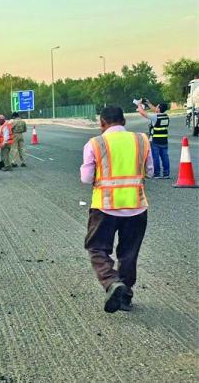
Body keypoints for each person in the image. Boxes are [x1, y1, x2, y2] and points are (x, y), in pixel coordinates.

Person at [80, 106, 152, 313]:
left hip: (105, 207)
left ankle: (112, 282)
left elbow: (86, 178)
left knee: (96, 248)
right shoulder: (141, 140)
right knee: (129, 253)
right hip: (136, 207)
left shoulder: (95, 143)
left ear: (102, 123)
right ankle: (125, 297)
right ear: (124, 121)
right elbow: (150, 170)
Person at [137, 100, 170, 179]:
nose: (156, 108)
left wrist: (139, 104)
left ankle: (157, 173)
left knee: (155, 157)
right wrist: (148, 103)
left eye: (157, 107)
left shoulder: (155, 117)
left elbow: (142, 112)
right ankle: (166, 173)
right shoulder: (166, 116)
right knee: (165, 156)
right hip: (164, 140)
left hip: (156, 140)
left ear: (158, 109)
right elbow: (155, 109)